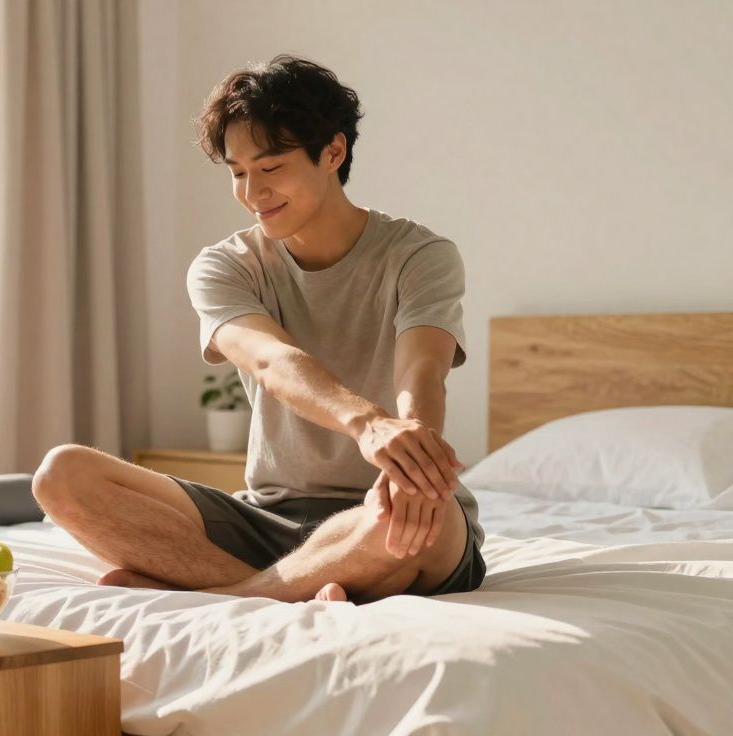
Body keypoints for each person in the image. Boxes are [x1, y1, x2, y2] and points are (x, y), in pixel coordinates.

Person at [32, 55, 484, 604]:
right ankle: (285, 585)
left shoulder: (420, 255)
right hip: (264, 518)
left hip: (382, 507)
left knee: (410, 525)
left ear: (333, 152)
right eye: (238, 172)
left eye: (270, 168)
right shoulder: (224, 265)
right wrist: (366, 424)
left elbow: (423, 367)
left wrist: (412, 464)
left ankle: (239, 591)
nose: (252, 192)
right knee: (62, 475)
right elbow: (272, 361)